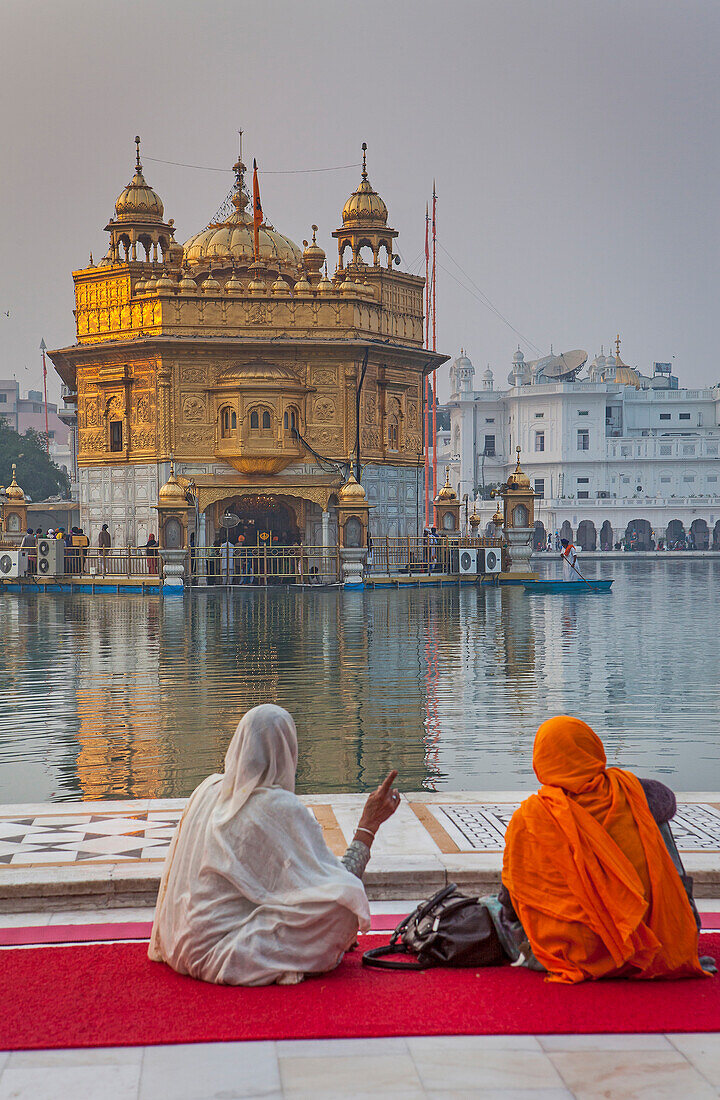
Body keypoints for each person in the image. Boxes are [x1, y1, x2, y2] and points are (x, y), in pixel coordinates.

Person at [149, 704, 400, 986]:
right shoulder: (276, 808)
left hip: (181, 942)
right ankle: (308, 954)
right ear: (288, 750)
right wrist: (369, 825)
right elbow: (341, 886)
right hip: (223, 954)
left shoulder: (207, 790)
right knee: (343, 910)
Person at [500, 716, 712, 984]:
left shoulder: (531, 817)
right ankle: (680, 922)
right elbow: (667, 801)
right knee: (650, 820)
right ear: (593, 749)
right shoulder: (631, 791)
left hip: (576, 951)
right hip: (646, 942)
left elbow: (511, 898)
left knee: (497, 910)